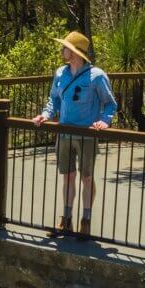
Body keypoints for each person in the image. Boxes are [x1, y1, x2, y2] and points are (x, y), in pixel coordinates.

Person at [31, 31, 116, 238]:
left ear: (75, 51)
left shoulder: (96, 76)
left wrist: (104, 121)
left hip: (86, 135)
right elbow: (54, 100)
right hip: (64, 134)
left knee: (87, 177)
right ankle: (66, 220)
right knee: (68, 177)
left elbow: (110, 104)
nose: (62, 49)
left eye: (66, 46)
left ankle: (85, 221)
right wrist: (45, 115)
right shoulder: (61, 73)